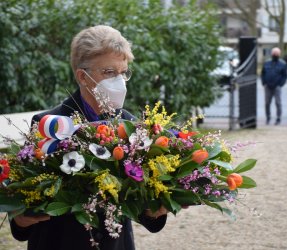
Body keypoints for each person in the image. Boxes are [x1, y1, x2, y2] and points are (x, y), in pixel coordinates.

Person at [9, 25, 168, 250]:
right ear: (83, 77)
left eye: (123, 72)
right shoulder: (48, 124)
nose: (120, 81)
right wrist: (20, 219)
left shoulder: (133, 127)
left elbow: (148, 217)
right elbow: (22, 220)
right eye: (109, 72)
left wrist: (155, 209)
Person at [261, 47, 287, 125]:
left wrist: (281, 84)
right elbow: (262, 73)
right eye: (274, 53)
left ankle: (278, 118)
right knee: (267, 103)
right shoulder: (267, 63)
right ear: (271, 54)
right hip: (267, 86)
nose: (275, 54)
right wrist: (264, 83)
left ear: (279, 54)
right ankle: (268, 117)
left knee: (278, 103)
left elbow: (285, 75)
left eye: (277, 53)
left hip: (277, 86)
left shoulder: (283, 64)